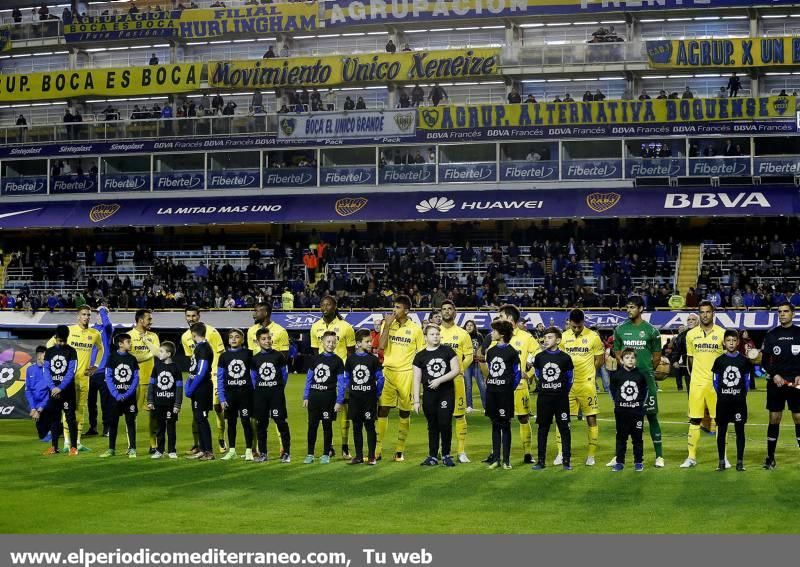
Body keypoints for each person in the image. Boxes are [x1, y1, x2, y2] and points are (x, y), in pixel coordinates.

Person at [481, 304, 540, 464]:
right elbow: (488, 360)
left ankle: (527, 453)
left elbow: (539, 357)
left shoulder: (527, 338)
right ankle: (495, 453)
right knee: (497, 420)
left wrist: (528, 374)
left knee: (523, 418)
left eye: (501, 317)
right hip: (499, 387)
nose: (499, 319)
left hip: (519, 387)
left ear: (510, 319)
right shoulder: (496, 338)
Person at [611, 295, 665, 467]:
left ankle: (659, 456)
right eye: (627, 307)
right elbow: (617, 352)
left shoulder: (651, 331)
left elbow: (657, 357)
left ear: (641, 309)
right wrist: (626, 368)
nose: (629, 310)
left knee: (651, 416)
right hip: (627, 382)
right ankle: (619, 456)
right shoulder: (620, 329)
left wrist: (646, 371)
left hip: (646, 380)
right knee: (623, 419)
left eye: (632, 307)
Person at [45, 306, 103, 452]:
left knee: (80, 410)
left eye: (88, 315)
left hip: (84, 378)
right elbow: (49, 345)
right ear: (78, 316)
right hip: (67, 380)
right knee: (67, 411)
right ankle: (66, 443)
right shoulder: (68, 331)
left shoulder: (95, 333)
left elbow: (101, 349)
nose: (86, 317)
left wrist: (96, 365)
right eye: (83, 314)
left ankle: (76, 442)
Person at [375, 295, 424, 461]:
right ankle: (378, 449)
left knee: (404, 412)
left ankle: (399, 450)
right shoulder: (387, 324)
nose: (394, 310)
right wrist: (387, 325)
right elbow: (381, 346)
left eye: (398, 307)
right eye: (394, 307)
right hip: (388, 372)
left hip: (406, 374)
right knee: (383, 409)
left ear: (407, 310)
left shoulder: (416, 329)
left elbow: (422, 353)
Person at [681, 300, 726, 469]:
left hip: (716, 384)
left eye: (708, 312)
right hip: (697, 383)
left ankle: (723, 457)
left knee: (720, 421)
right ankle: (691, 457)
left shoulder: (722, 333)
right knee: (694, 419)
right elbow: (691, 359)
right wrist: (697, 377)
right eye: (702, 312)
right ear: (699, 314)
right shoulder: (691, 335)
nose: (705, 315)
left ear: (713, 313)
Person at [557, 309, 604, 466]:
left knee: (591, 417)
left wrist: (591, 373)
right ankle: (561, 453)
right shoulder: (563, 337)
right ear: (569, 322)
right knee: (563, 419)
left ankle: (591, 455)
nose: (576, 329)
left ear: (583, 322)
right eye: (573, 326)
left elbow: (600, 359)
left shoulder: (593, 337)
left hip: (586, 384)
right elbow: (560, 359)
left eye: (579, 326)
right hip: (568, 385)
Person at [310, 296, 356, 458]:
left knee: (344, 411)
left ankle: (344, 446)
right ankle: (328, 447)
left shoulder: (346, 327)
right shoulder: (315, 327)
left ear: (335, 306)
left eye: (328, 304)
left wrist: (349, 377)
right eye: (322, 304)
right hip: (324, 378)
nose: (324, 307)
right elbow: (316, 355)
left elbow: (351, 354)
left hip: (341, 375)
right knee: (325, 414)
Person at [412, 324, 460, 467]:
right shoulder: (420, 356)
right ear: (425, 337)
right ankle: (432, 455)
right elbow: (416, 379)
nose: (435, 336)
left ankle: (446, 454)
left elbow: (456, 370)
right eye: (432, 334)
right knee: (432, 425)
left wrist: (439, 380)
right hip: (429, 395)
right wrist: (416, 401)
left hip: (446, 393)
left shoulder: (447, 351)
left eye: (437, 334)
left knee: (445, 423)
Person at [760, 301, 800, 470]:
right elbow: (764, 360)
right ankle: (770, 457)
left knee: (798, 418)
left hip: (796, 383)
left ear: (792, 313)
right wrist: (774, 374)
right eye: (780, 312)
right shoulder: (771, 334)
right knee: (774, 418)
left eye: (785, 311)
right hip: (776, 383)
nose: (782, 314)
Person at [181, 306, 225, 455]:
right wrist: (190, 381)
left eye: (194, 316)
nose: (191, 318)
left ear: (199, 316)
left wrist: (218, 375)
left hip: (209, 377)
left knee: (217, 409)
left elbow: (219, 354)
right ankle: (199, 445)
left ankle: (220, 440)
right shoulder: (185, 337)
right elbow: (192, 362)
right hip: (199, 380)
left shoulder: (211, 333)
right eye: (188, 316)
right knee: (198, 414)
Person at [337, 329, 384, 465]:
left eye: (371, 341)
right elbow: (346, 379)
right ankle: (358, 456)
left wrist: (376, 393)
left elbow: (380, 379)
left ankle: (371, 456)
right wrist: (348, 393)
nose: (370, 343)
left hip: (368, 399)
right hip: (355, 399)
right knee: (356, 426)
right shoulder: (351, 360)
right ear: (358, 343)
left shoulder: (373, 360)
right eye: (367, 341)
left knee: (369, 427)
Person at [531, 327, 574, 470]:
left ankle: (566, 460)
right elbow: (537, 375)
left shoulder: (565, 358)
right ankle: (541, 460)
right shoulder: (539, 357)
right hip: (544, 399)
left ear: (558, 340)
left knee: (564, 429)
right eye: (545, 337)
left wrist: (561, 391)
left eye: (550, 337)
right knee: (542, 429)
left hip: (561, 399)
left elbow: (569, 379)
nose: (546, 340)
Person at [712, 330, 752, 472]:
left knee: (740, 431)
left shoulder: (744, 361)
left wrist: (739, 395)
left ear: (738, 342)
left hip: (739, 404)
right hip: (723, 403)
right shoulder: (719, 360)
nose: (731, 343)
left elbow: (746, 382)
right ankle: (721, 461)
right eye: (728, 340)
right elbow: (715, 382)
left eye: (734, 340)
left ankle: (740, 462)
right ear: (724, 342)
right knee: (721, 431)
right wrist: (724, 395)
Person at [303, 332, 345, 464]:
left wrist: (339, 401)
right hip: (314, 398)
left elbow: (341, 383)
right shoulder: (315, 359)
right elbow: (309, 379)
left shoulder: (338, 361)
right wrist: (306, 396)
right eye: (328, 342)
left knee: (327, 426)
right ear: (322, 342)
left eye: (333, 342)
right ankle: (310, 454)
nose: (331, 345)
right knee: (312, 426)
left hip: (329, 399)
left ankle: (326, 454)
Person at [251, 328, 291, 463]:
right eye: (264, 339)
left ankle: (286, 453)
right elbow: (253, 379)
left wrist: (277, 389)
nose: (267, 341)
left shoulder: (279, 356)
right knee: (261, 424)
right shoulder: (255, 359)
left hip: (276, 395)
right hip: (260, 396)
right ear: (257, 341)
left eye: (268, 338)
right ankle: (263, 453)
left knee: (281, 423)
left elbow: (284, 376)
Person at [484, 320, 520, 470]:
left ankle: (506, 460)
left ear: (502, 334)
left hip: (504, 394)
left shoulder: (512, 352)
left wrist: (508, 388)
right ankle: (496, 459)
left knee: (505, 425)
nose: (492, 333)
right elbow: (490, 370)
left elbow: (517, 374)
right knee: (494, 425)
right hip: (492, 393)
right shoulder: (490, 351)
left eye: (494, 331)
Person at [216, 329, 254, 461]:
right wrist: (221, 397)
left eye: (237, 337)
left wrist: (253, 393)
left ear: (242, 340)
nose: (233, 339)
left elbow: (253, 375)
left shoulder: (249, 354)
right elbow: (220, 378)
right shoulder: (223, 357)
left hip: (245, 394)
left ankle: (249, 450)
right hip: (230, 395)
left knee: (245, 422)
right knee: (230, 423)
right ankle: (232, 450)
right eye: (231, 337)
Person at [100, 333, 140, 458]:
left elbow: (136, 378)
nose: (131, 344)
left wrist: (127, 393)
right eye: (128, 342)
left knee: (130, 422)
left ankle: (132, 448)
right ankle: (111, 449)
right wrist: (116, 395)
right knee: (113, 423)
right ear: (120, 344)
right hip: (115, 397)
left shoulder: (132, 359)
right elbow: (108, 377)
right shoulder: (111, 358)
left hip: (129, 398)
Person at [609, 348, 648, 472]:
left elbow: (644, 392)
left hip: (636, 412)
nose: (630, 360)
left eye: (632, 358)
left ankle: (638, 462)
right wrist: (618, 404)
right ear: (621, 360)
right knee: (621, 437)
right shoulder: (616, 375)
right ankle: (620, 462)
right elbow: (612, 392)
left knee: (637, 438)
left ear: (636, 359)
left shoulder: (641, 375)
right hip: (621, 412)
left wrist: (640, 405)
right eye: (627, 358)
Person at [127, 309, 160, 452]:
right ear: (141, 320)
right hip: (135, 382)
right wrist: (149, 353)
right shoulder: (129, 336)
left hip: (152, 382)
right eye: (149, 319)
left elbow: (158, 353)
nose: (151, 322)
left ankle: (154, 445)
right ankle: (131, 446)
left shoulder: (153, 336)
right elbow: (131, 359)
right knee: (132, 414)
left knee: (153, 416)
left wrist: (150, 352)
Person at [43, 326, 78, 455]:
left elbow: (71, 372)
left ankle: (73, 447)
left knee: (70, 419)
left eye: (63, 341)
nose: (61, 343)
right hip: (53, 391)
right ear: (55, 338)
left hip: (67, 392)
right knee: (54, 419)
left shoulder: (72, 351)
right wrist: (53, 387)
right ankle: (54, 447)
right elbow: (46, 371)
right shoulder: (49, 351)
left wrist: (60, 387)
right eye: (59, 341)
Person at [185, 322, 215, 461]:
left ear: (193, 334)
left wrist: (191, 388)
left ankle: (209, 451)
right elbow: (194, 370)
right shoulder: (199, 347)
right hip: (197, 388)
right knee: (198, 419)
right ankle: (203, 449)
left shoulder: (203, 348)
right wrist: (189, 385)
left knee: (202, 419)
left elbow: (202, 371)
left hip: (202, 388)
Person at [147, 341, 182, 459]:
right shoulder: (157, 366)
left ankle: (172, 450)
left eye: (161, 351)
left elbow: (178, 387)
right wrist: (150, 401)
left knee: (171, 428)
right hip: (158, 403)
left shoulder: (176, 368)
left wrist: (177, 404)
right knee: (160, 428)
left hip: (171, 404)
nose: (159, 353)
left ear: (169, 354)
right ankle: (160, 450)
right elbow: (151, 385)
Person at [85, 305, 113, 437]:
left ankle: (106, 427)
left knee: (105, 402)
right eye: (99, 314)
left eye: (103, 315)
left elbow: (107, 324)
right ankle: (93, 427)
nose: (101, 316)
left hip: (103, 372)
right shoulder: (90, 330)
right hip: (90, 372)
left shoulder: (107, 330)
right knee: (91, 402)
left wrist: (102, 309)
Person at [25, 346, 53, 446]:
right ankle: (56, 429)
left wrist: (39, 409)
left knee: (48, 432)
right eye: (45, 356)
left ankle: (57, 428)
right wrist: (33, 408)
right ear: (39, 355)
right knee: (42, 435)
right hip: (36, 406)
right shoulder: (29, 370)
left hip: (47, 405)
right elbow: (28, 390)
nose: (47, 359)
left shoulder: (50, 370)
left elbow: (50, 394)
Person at [464, 320, 485, 412]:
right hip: (467, 364)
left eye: (471, 325)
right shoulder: (463, 335)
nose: (469, 327)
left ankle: (486, 406)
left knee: (481, 385)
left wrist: (479, 355)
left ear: (474, 326)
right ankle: (469, 406)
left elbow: (483, 348)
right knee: (468, 385)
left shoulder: (479, 336)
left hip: (477, 363)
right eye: (467, 325)